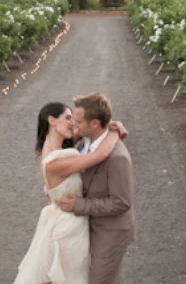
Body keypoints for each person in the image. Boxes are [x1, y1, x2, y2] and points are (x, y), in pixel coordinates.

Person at [13, 102, 121, 284]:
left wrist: (102, 125)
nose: (73, 123)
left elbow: (82, 132)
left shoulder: (55, 149)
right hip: (70, 227)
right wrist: (117, 132)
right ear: (52, 120)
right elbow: (101, 154)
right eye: (68, 118)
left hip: (62, 218)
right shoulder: (56, 161)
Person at [55, 92, 135, 284]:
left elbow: (122, 202)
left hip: (111, 231)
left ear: (95, 124)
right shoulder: (85, 141)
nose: (74, 124)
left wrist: (79, 205)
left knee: (99, 280)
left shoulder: (118, 159)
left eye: (79, 121)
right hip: (89, 225)